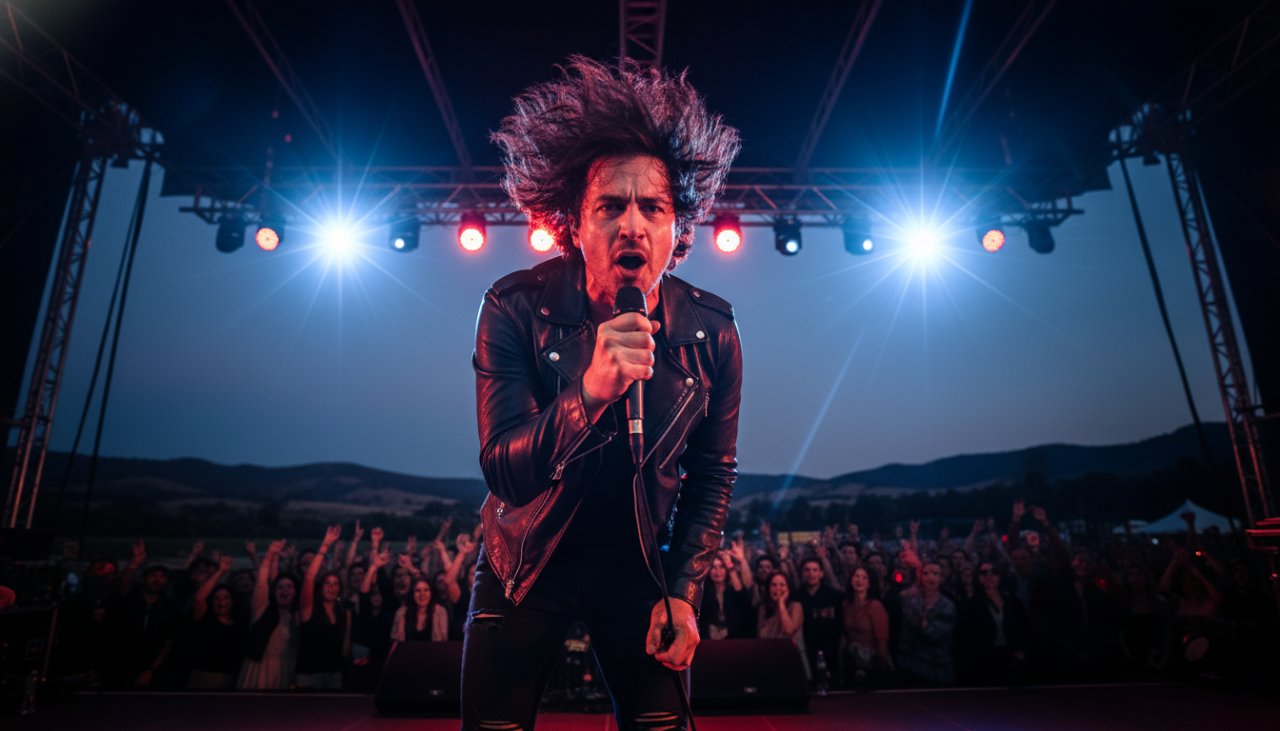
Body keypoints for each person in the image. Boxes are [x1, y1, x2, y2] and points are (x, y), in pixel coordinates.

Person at [463, 56, 741, 730]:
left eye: (653, 207)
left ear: (678, 232)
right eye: (610, 206)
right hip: (526, 563)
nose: (632, 225)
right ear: (574, 225)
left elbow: (712, 474)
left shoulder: (711, 331)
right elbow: (505, 466)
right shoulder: (514, 306)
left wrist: (682, 591)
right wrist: (589, 391)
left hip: (637, 567)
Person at [238, 540, 298, 690]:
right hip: (259, 670)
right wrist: (270, 555)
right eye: (280, 587)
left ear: (295, 592)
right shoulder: (262, 608)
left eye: (289, 587)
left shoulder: (293, 617)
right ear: (274, 591)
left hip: (282, 672)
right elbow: (261, 583)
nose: (285, 591)